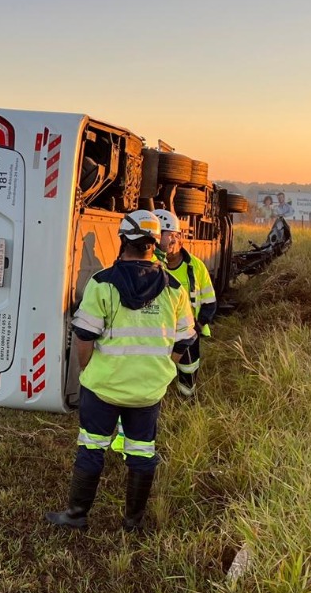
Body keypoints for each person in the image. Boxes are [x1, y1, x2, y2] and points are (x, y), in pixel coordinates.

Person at [45, 209, 196, 532]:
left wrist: (87, 371)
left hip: (103, 387)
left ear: (122, 240)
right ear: (154, 243)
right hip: (149, 391)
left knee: (92, 446)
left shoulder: (102, 284)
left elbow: (84, 337)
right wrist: (162, 367)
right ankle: (132, 522)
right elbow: (185, 339)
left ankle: (76, 515)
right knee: (142, 453)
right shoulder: (174, 288)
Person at [152, 209, 217, 399]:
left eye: (173, 235)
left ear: (178, 237)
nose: (169, 241)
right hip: (159, 333)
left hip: (188, 333)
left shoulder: (195, 266)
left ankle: (186, 401)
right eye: (164, 236)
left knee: (188, 369)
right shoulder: (150, 265)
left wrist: (196, 328)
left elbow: (209, 303)